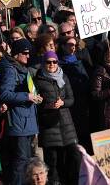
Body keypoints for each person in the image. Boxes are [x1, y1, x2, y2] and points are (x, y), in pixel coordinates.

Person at [0, 38, 41, 185]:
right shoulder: (11, 69)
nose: (28, 56)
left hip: (26, 123)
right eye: (25, 53)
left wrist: (34, 97)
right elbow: (4, 94)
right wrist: (26, 96)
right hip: (18, 124)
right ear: (16, 54)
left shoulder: (22, 68)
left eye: (29, 53)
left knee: (26, 163)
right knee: (20, 164)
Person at [33, 51, 78, 185]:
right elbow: (36, 104)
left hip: (66, 125)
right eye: (48, 62)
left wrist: (63, 103)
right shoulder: (38, 80)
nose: (52, 64)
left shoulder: (64, 76)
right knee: (52, 163)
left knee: (71, 159)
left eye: (54, 61)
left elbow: (71, 99)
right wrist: (47, 105)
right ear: (43, 63)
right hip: (49, 126)